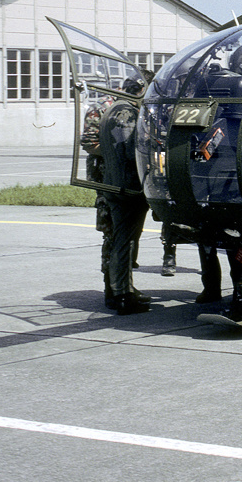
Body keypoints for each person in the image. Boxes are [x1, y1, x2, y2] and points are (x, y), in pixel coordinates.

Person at [98, 77, 150, 315]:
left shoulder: (110, 110)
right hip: (127, 187)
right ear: (139, 91)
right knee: (126, 242)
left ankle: (120, 290)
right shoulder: (126, 113)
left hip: (112, 184)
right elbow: (130, 150)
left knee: (121, 239)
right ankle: (123, 295)